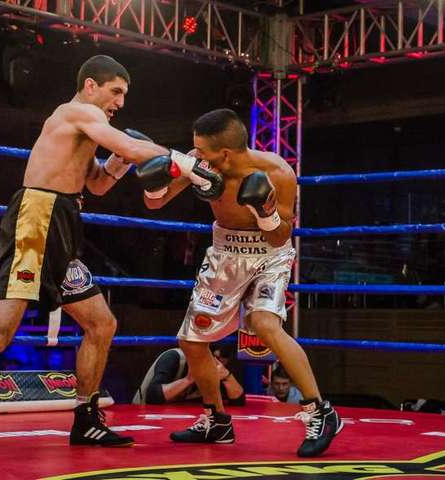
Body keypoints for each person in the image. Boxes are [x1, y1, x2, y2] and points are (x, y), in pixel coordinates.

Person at [0, 55, 221, 449]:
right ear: (90, 85)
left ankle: (86, 419)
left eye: (124, 95)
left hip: (61, 224)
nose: (121, 102)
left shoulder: (88, 129)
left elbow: (96, 185)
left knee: (101, 324)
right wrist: (187, 163)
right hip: (37, 222)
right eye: (116, 91)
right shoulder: (76, 112)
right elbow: (129, 143)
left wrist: (118, 163)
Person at [140, 108, 341, 457]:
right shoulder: (200, 163)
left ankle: (320, 412)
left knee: (264, 323)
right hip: (224, 255)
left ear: (225, 154)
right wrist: (155, 182)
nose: (196, 155)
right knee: (192, 340)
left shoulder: (277, 173)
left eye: (203, 151)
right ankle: (217, 421)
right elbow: (154, 203)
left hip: (269, 255)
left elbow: (281, 236)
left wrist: (265, 212)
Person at [132, 345, 244, 405]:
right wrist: (189, 379)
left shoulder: (218, 369)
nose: (217, 363)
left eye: (222, 361)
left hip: (180, 416)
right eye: (215, 358)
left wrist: (227, 376)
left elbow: (238, 400)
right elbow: (153, 396)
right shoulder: (174, 357)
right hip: (147, 414)